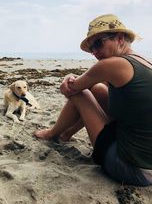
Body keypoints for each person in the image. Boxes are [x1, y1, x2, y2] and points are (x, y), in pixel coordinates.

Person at [34, 14, 152, 186]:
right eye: (91, 49)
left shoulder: (112, 64)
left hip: (130, 167)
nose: (95, 53)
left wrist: (69, 77)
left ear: (119, 38)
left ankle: (52, 134)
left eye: (98, 43)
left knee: (81, 94)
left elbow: (69, 89)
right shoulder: (143, 63)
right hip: (146, 160)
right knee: (97, 89)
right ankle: (66, 134)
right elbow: (97, 84)